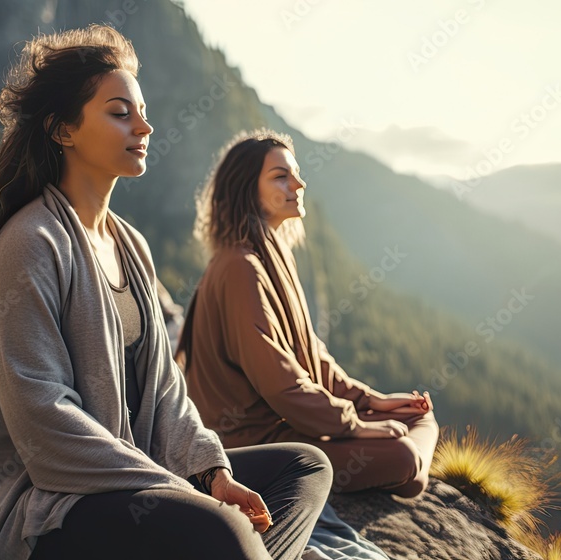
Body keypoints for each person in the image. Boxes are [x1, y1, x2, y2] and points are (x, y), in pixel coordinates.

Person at [0, 27, 331, 560]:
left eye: (142, 111)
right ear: (62, 130)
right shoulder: (30, 244)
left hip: (131, 476)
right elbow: (47, 428)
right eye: (120, 112)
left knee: (304, 467)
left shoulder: (131, 245)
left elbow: (167, 391)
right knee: (225, 533)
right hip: (38, 507)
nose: (145, 126)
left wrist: (212, 473)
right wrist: (182, 491)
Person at [177, 129, 438, 497]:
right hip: (257, 445)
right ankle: (407, 472)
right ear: (246, 189)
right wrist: (354, 425)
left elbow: (311, 355)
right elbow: (280, 384)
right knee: (403, 454)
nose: (298, 184)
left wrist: (369, 401)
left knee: (418, 415)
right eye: (280, 176)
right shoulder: (240, 266)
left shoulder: (272, 252)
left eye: (295, 173)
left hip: (295, 425)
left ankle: (407, 474)